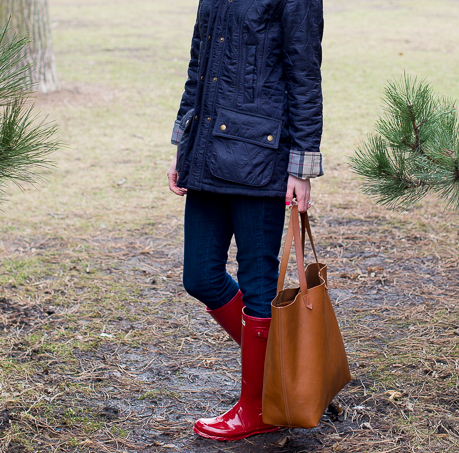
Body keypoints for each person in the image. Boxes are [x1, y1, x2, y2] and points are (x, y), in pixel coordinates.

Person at [167, 0, 324, 442]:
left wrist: (301, 167)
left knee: (258, 284)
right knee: (199, 275)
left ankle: (259, 408)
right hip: (206, 151)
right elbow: (199, 64)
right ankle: (288, 374)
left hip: (261, 156)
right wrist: (184, 142)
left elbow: (305, 75)